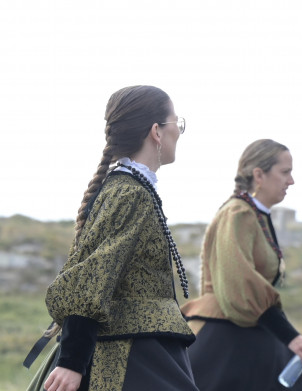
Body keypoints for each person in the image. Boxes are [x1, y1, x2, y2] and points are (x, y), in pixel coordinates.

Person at [43, 86, 197, 391]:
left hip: (147, 348)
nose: (178, 132)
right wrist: (72, 361)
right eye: (175, 123)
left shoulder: (133, 189)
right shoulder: (129, 193)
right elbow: (92, 276)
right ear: (156, 131)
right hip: (128, 355)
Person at [181, 139, 302, 391]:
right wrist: (291, 337)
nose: (291, 181)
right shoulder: (238, 213)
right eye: (285, 172)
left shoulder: (256, 215)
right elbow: (241, 283)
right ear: (259, 174)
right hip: (224, 333)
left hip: (248, 331)